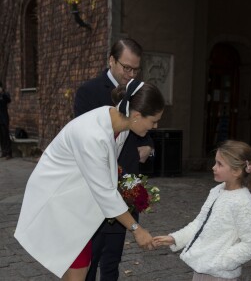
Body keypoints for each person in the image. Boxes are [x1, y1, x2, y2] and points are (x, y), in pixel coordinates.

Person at [14, 80, 165, 281]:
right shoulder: (92, 135)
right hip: (57, 201)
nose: (156, 126)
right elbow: (105, 193)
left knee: (78, 268)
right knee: (78, 270)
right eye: (153, 121)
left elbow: (106, 169)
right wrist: (137, 230)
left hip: (75, 199)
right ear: (137, 115)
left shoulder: (120, 123)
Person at [74, 38, 154, 281]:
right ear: (111, 60)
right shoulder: (88, 91)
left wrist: (148, 146)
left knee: (113, 257)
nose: (130, 74)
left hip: (127, 180)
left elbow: (146, 129)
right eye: (125, 67)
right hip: (96, 185)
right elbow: (83, 139)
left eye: (135, 69)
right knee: (91, 253)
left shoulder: (138, 91)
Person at [153, 140, 251, 281]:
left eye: (220, 164)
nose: (214, 167)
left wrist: (222, 262)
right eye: (215, 162)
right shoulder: (217, 190)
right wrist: (174, 238)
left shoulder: (242, 201)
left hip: (219, 274)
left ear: (236, 171)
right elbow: (200, 223)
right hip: (202, 269)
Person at [0, 82, 12, 160]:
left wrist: (2, 93)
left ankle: (9, 153)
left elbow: (9, 100)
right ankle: (3, 151)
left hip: (4, 119)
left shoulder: (5, 95)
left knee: (6, 135)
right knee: (1, 136)